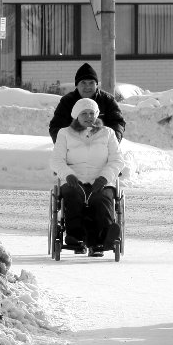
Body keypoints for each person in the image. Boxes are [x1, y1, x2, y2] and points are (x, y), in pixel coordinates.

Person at [51, 96, 124, 256]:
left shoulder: (108, 133)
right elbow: (56, 161)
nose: (88, 117)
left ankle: (102, 239)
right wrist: (68, 175)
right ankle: (75, 237)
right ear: (76, 115)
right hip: (74, 179)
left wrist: (104, 178)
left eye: (92, 113)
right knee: (73, 195)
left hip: (101, 180)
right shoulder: (64, 134)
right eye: (84, 113)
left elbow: (117, 160)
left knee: (100, 198)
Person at [49, 63, 126, 144]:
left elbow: (117, 123)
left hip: (102, 148)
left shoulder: (107, 100)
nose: (87, 87)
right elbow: (56, 126)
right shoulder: (67, 101)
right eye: (83, 83)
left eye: (91, 83)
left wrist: (112, 143)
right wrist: (64, 145)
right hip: (74, 149)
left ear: (96, 85)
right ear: (77, 85)